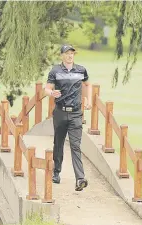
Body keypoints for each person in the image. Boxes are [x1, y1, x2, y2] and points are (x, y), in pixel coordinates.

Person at [44, 44, 92, 191]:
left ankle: (80, 179)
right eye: (67, 53)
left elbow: (88, 84)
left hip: (76, 113)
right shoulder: (55, 71)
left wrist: (88, 100)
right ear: (62, 56)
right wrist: (51, 93)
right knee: (58, 143)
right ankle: (56, 172)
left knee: (75, 145)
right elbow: (47, 88)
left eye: (72, 53)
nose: (70, 56)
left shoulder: (81, 70)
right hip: (60, 112)